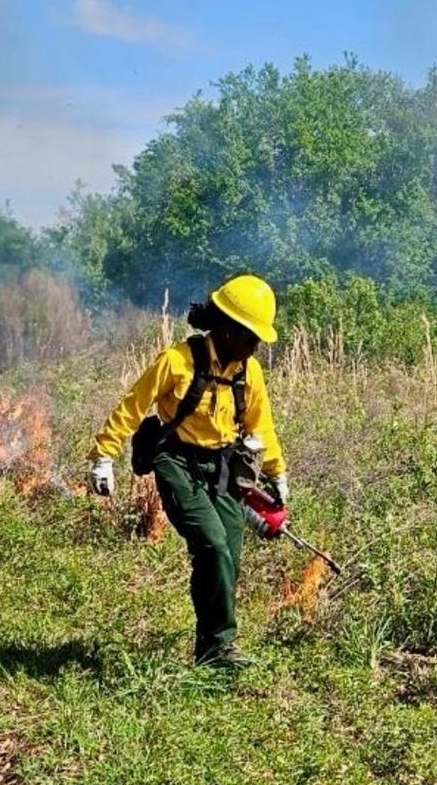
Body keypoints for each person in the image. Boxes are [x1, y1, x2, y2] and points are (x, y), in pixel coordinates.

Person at [88, 275, 290, 670]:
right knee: (212, 545)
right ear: (227, 328)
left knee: (228, 555)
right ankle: (218, 648)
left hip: (222, 470)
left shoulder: (248, 372)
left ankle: (214, 649)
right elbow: (132, 406)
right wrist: (103, 457)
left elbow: (260, 426)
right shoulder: (177, 361)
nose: (256, 347)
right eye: (251, 337)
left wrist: (276, 475)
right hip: (177, 463)